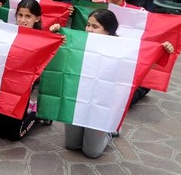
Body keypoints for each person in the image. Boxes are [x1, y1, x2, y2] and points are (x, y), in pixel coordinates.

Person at [50, 10, 174, 158]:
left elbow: (145, 63)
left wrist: (163, 50)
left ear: (108, 31)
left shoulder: (120, 49)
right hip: (78, 100)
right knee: (72, 145)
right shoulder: (78, 42)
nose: (89, 29)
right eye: (88, 25)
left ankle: (111, 129)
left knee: (92, 152)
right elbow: (55, 51)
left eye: (95, 27)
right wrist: (56, 33)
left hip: (102, 104)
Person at [0, 0, 49, 140]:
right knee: (0, 133)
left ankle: (36, 115)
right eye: (20, 15)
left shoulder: (42, 39)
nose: (23, 20)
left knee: (14, 136)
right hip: (3, 86)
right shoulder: (8, 33)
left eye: (28, 16)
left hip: (23, 89)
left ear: (37, 18)